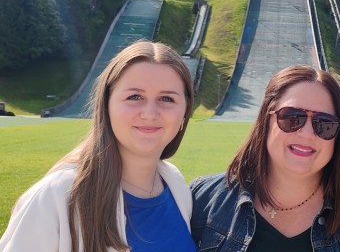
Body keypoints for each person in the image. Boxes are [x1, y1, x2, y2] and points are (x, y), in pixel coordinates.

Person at [0, 40, 196, 252]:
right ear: (107, 105)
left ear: (184, 113)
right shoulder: (58, 195)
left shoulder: (177, 187)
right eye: (135, 96)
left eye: (167, 98)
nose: (149, 113)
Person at [190, 65, 340, 251]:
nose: (307, 134)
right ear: (266, 119)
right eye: (291, 118)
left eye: (324, 124)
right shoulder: (203, 201)